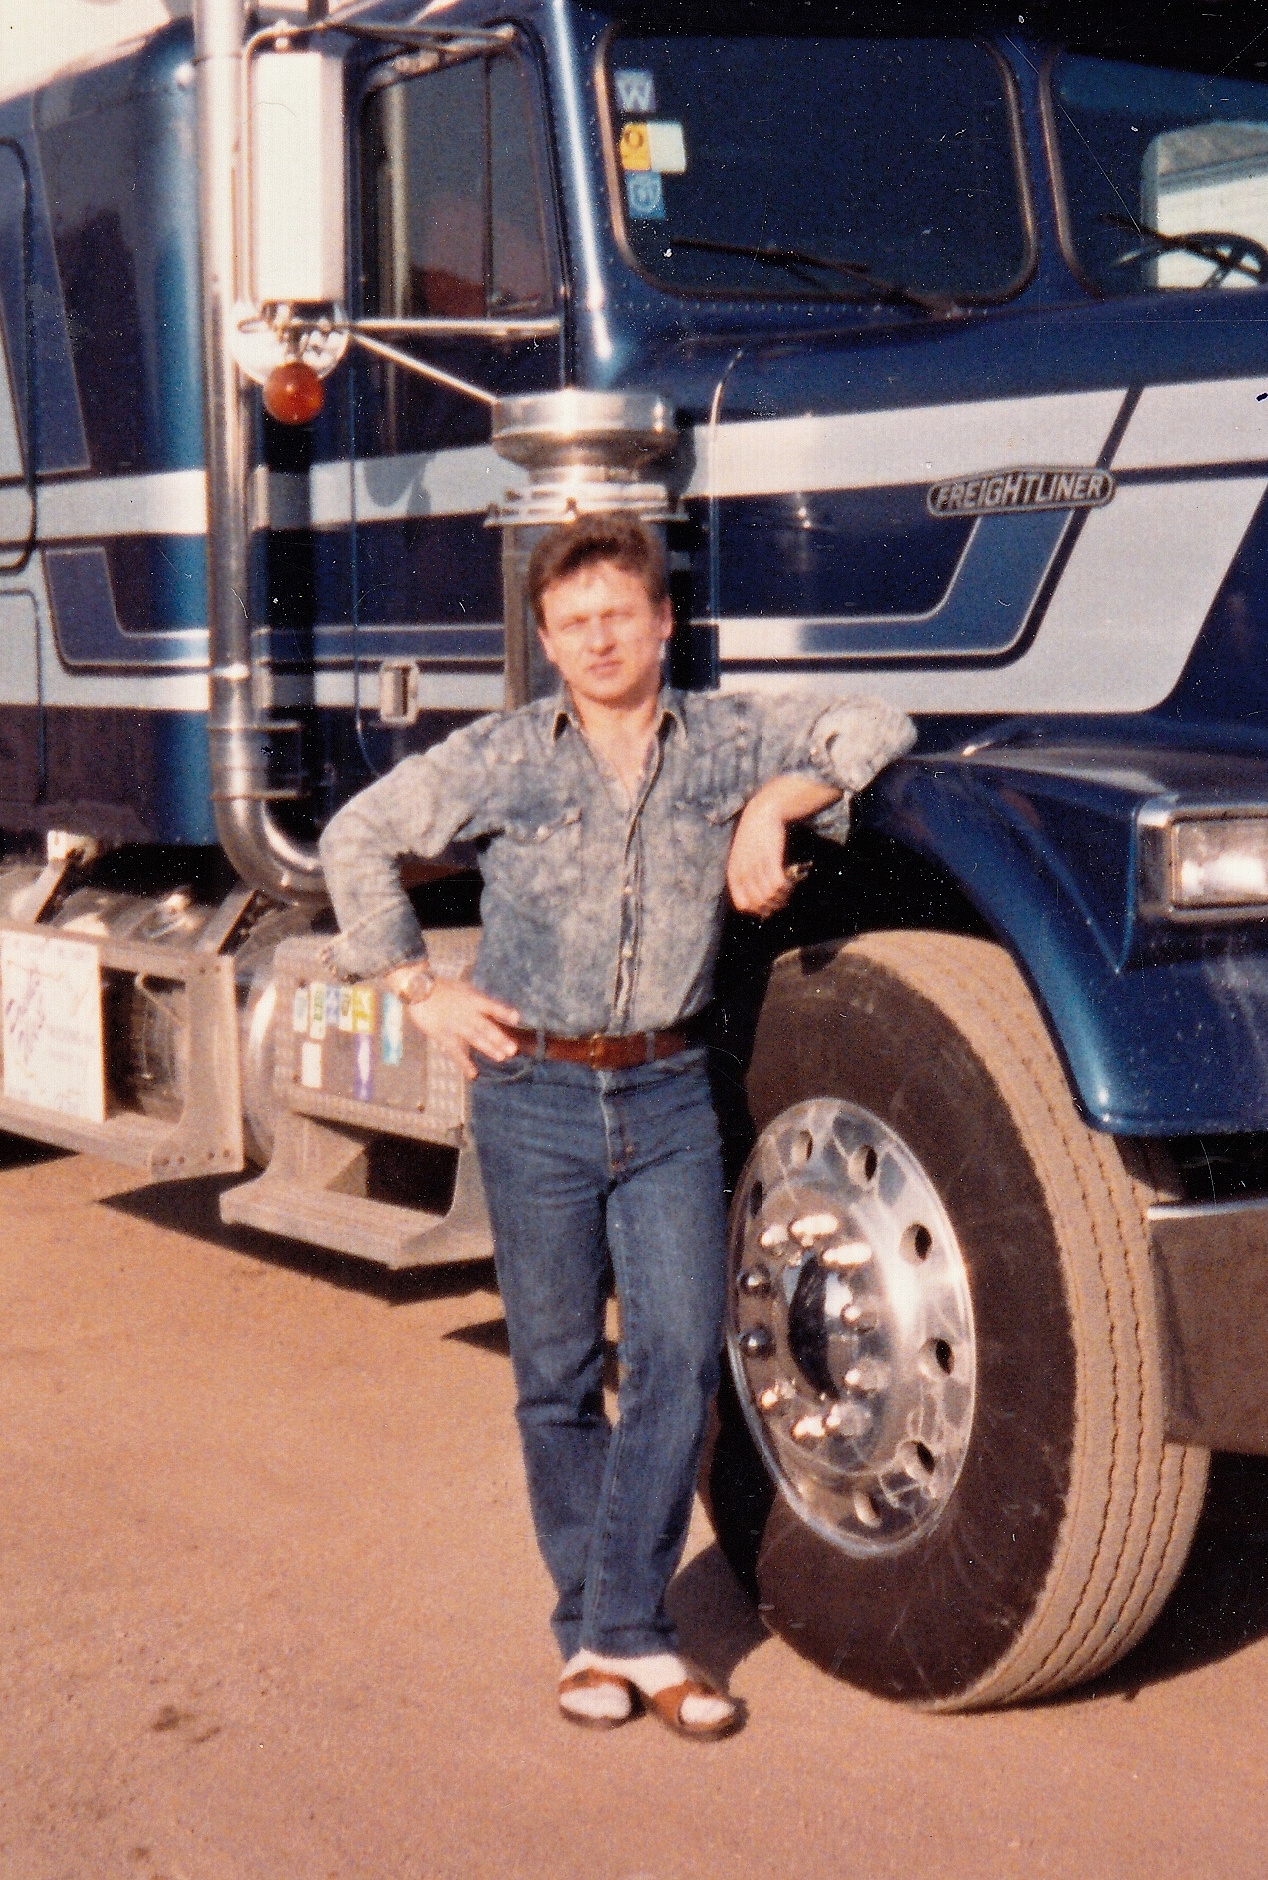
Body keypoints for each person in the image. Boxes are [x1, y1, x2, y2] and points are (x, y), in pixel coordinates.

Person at [318, 513, 913, 1742]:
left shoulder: (723, 740)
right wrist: (416, 988)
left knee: (679, 1361)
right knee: (552, 1375)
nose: (597, 640)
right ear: (545, 641)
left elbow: (875, 724)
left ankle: (617, 1631)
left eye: (617, 617)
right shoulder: (503, 756)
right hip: (529, 1092)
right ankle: (611, 1631)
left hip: (666, 1094)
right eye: (572, 623)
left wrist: (773, 806)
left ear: (660, 623)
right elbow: (353, 836)